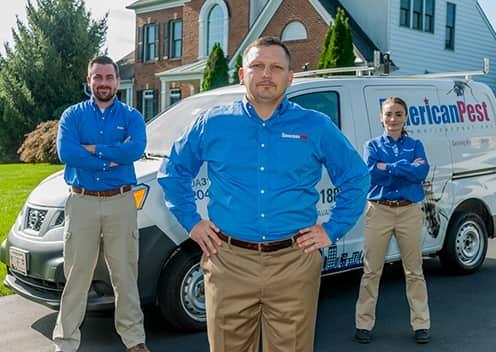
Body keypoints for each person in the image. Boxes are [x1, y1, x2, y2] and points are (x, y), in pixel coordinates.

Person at [158, 36, 370, 352]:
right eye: (257, 66)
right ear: (243, 75)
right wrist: (192, 222)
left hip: (294, 262)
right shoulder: (212, 123)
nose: (266, 74)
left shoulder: (315, 125)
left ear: (290, 76)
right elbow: (173, 172)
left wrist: (332, 229)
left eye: (276, 67)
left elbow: (356, 177)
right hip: (228, 262)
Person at [53, 56, 149, 352]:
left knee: (125, 275)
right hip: (82, 202)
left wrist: (95, 151)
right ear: (89, 80)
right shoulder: (73, 116)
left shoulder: (131, 116)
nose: (104, 83)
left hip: (121, 201)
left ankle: (134, 340)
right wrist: (113, 156)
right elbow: (67, 152)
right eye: (98, 77)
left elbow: (136, 149)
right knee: (77, 275)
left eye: (109, 77)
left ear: (117, 81)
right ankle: (66, 343)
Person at [354, 97, 431, 344]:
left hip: (409, 211)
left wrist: (389, 167)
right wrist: (404, 167)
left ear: (405, 117)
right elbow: (371, 173)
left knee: (414, 271)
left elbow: (421, 172)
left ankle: (421, 324)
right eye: (388, 114)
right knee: (371, 271)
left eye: (398, 114)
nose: (393, 119)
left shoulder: (416, 144)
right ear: (381, 117)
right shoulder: (372, 145)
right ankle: (363, 324)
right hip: (379, 211)